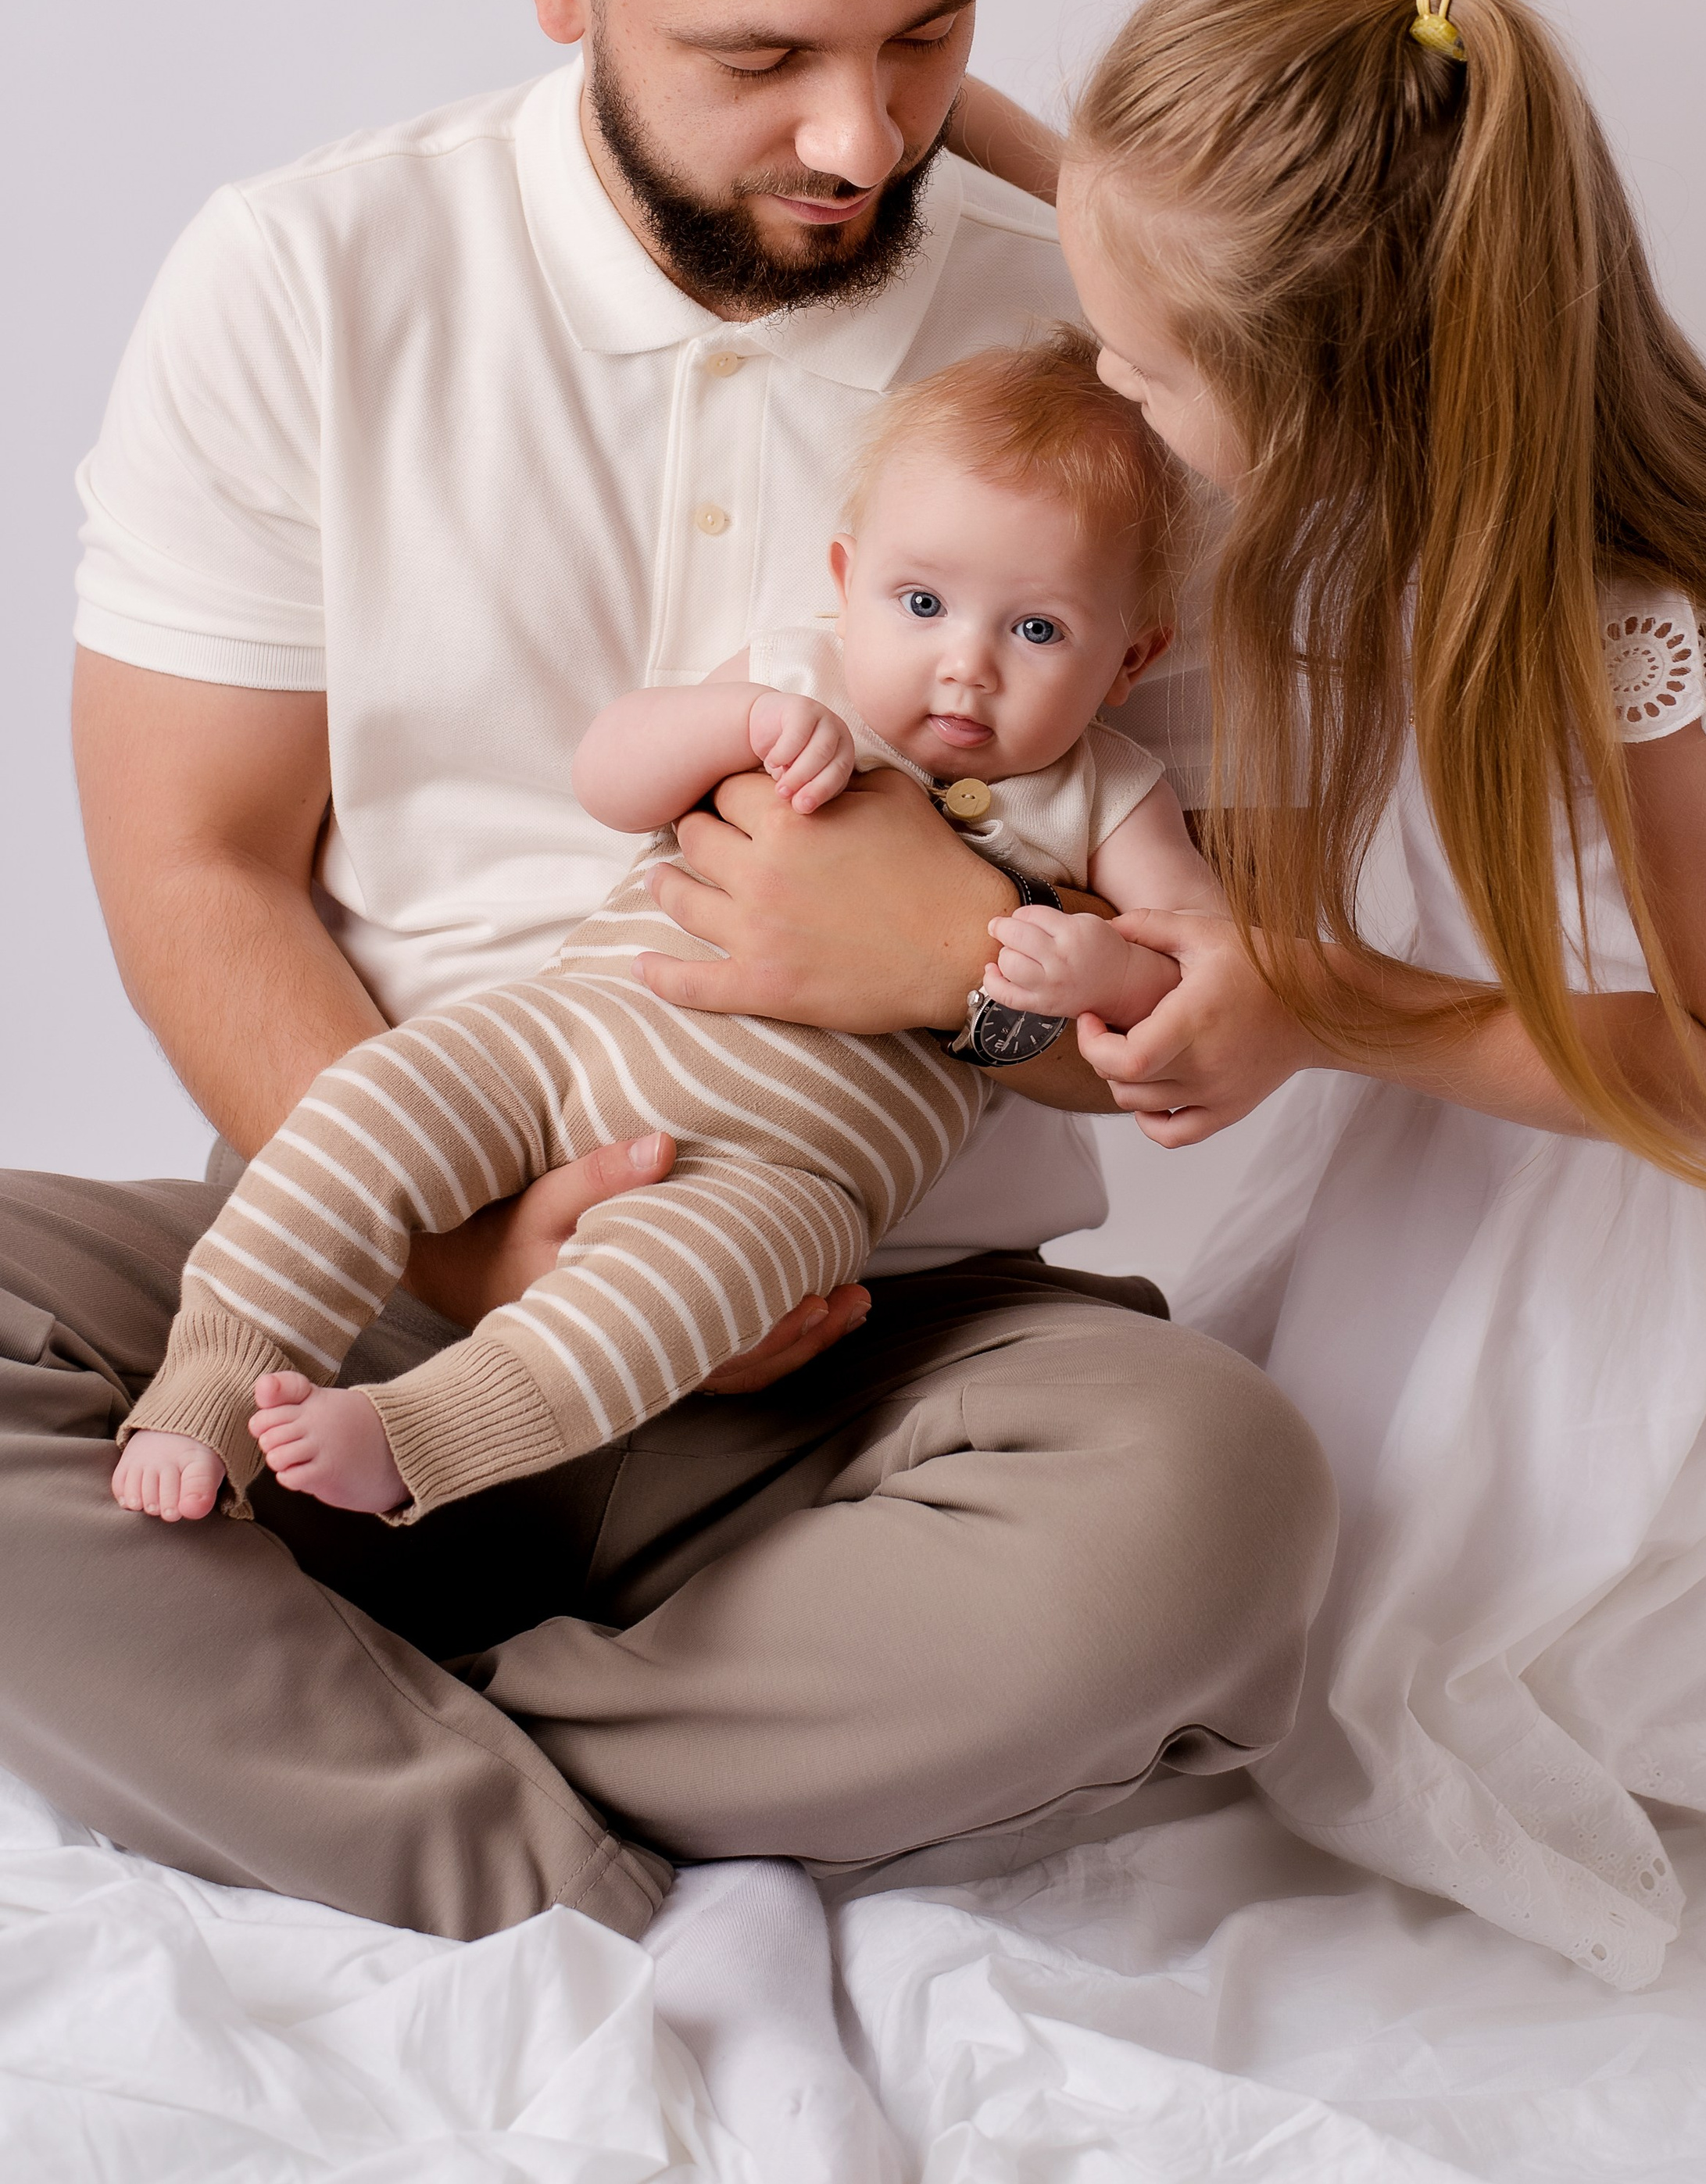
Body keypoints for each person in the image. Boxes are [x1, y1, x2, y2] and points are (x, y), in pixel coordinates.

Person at [0, 0, 1335, 1939]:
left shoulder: (1101, 351)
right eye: (760, 55)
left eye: (932, 34)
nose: (859, 133)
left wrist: (953, 971)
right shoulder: (309, 273)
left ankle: (322, 1723)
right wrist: (470, 1242)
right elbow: (194, 865)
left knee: (1215, 1506)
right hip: (365, 1232)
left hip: (862, 1348)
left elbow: (1182, 1013)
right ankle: (570, 1858)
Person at [1041, 0, 1706, 1989]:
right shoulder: (1414, 415)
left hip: (1676, 1191)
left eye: (1144, 368)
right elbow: (1175, 244)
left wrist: (1321, 1000)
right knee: (1274, 1522)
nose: (1107, 385)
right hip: (1501, 1128)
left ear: (1323, 384)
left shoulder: (1631, 624)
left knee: (1404, 1663)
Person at [113, 334, 1219, 1526]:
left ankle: (419, 1437)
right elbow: (611, 776)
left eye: (1038, 631)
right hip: (570, 1038)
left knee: (677, 1299)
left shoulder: (1109, 795)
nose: (966, 667)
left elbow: (1199, 976)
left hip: (787, 1170)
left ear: (1130, 658)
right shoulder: (804, 673)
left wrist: (1095, 959)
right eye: (921, 602)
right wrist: (735, 718)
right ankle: (219, 1371)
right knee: (371, 1106)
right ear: (848, 579)